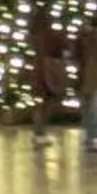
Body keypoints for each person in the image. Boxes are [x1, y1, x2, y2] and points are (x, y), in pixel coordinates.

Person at [29, 8, 68, 145]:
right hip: (49, 70)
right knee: (48, 102)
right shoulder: (50, 34)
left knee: (41, 103)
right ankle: (40, 132)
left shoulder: (34, 35)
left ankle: (38, 132)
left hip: (39, 69)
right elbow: (63, 47)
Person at [74, 10, 97, 152]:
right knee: (92, 106)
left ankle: (95, 135)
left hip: (90, 75)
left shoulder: (93, 37)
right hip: (92, 74)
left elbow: (81, 52)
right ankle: (95, 135)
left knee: (92, 106)